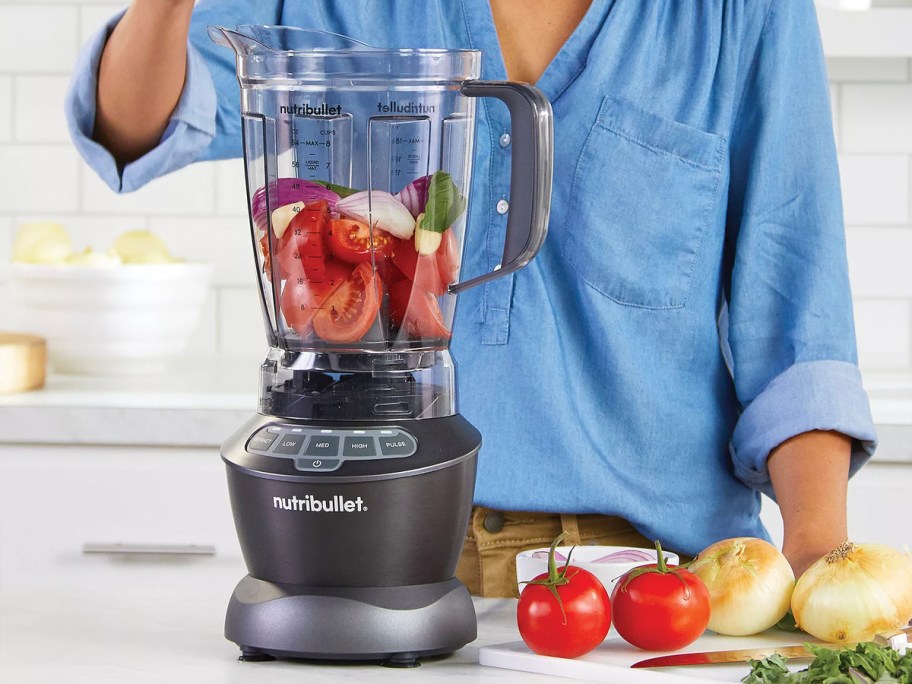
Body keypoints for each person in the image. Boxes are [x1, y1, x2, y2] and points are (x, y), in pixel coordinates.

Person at [66, 0, 877, 597]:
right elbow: (132, 126)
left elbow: (798, 324)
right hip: (372, 548)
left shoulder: (741, 12)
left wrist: (820, 560)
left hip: (656, 582)